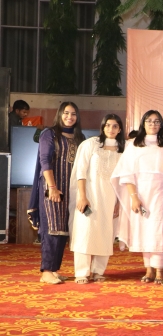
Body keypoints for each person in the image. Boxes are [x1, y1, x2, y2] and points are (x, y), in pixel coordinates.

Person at [111, 110, 163, 284]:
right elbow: (127, 173)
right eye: (149, 121)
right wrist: (134, 197)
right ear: (143, 123)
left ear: (161, 124)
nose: (153, 124)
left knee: (157, 229)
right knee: (143, 230)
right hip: (140, 193)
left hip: (161, 193)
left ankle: (160, 270)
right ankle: (149, 269)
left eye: (156, 121)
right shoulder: (133, 145)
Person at [28, 102, 85, 284]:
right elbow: (45, 161)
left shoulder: (79, 137)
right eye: (66, 113)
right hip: (52, 188)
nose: (69, 117)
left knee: (62, 230)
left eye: (73, 114)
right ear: (60, 114)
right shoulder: (49, 134)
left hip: (71, 190)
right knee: (52, 228)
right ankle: (46, 271)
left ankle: (53, 269)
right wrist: (52, 187)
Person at [69, 114, 125, 284]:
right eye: (108, 125)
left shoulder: (123, 150)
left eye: (115, 126)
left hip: (110, 199)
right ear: (102, 127)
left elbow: (122, 179)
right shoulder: (91, 144)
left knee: (105, 233)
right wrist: (82, 196)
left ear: (120, 129)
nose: (111, 129)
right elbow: (80, 171)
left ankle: (98, 271)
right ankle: (81, 272)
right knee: (85, 232)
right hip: (89, 197)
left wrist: (119, 203)